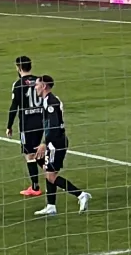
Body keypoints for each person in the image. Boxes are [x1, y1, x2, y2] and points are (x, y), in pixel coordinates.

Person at [33, 75, 91, 217]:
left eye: (37, 85)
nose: (35, 88)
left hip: (55, 142)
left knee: (51, 176)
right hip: (55, 141)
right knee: (42, 163)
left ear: (44, 86)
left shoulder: (51, 102)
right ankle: (51, 206)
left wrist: (44, 143)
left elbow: (53, 126)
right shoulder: (49, 100)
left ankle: (81, 195)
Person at [6, 55, 43, 198]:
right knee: (37, 151)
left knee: (30, 155)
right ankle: (50, 173)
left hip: (27, 124)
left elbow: (14, 107)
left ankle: (35, 187)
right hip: (41, 121)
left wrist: (9, 126)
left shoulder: (18, 84)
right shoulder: (39, 81)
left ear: (19, 67)